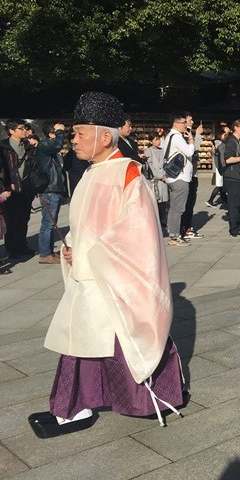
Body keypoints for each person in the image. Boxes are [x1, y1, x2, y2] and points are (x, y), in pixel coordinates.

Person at [29, 91, 185, 439]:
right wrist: (73, 245)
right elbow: (86, 224)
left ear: (104, 136)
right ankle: (76, 406)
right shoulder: (91, 172)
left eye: (80, 133)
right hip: (92, 275)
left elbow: (139, 235)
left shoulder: (128, 174)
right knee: (86, 341)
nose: (74, 140)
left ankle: (119, 403)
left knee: (114, 339)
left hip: (114, 278)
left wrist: (88, 252)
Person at [0, 119, 39, 258]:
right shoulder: (4, 146)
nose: (24, 131)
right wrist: (6, 184)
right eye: (21, 128)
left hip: (26, 187)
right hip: (10, 188)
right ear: (11, 131)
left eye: (24, 128)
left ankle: (22, 245)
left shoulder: (28, 145)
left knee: (24, 218)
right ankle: (12, 249)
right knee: (11, 220)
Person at [162, 112, 196, 247]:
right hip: (179, 178)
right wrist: (191, 142)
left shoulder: (169, 136)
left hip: (172, 177)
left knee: (174, 208)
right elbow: (189, 152)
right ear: (175, 124)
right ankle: (174, 237)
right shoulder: (176, 136)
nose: (185, 125)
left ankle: (174, 234)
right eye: (183, 123)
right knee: (178, 208)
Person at [36, 122, 68, 264]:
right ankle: (44, 254)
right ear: (51, 134)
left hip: (55, 189)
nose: (61, 135)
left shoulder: (51, 148)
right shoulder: (45, 144)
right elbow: (57, 145)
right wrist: (60, 132)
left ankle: (48, 251)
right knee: (48, 223)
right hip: (50, 189)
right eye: (57, 132)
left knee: (51, 222)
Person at [222, 120, 240, 238]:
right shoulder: (231, 141)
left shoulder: (239, 141)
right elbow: (228, 159)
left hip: (239, 177)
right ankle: (234, 229)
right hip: (232, 177)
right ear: (235, 128)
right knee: (234, 205)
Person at [144, 132, 169, 236]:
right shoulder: (148, 151)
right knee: (155, 202)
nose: (158, 142)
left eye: (159, 139)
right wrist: (160, 176)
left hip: (164, 178)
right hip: (154, 180)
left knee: (164, 203)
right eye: (156, 140)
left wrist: (165, 175)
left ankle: (163, 222)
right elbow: (150, 166)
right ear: (151, 141)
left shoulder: (162, 150)